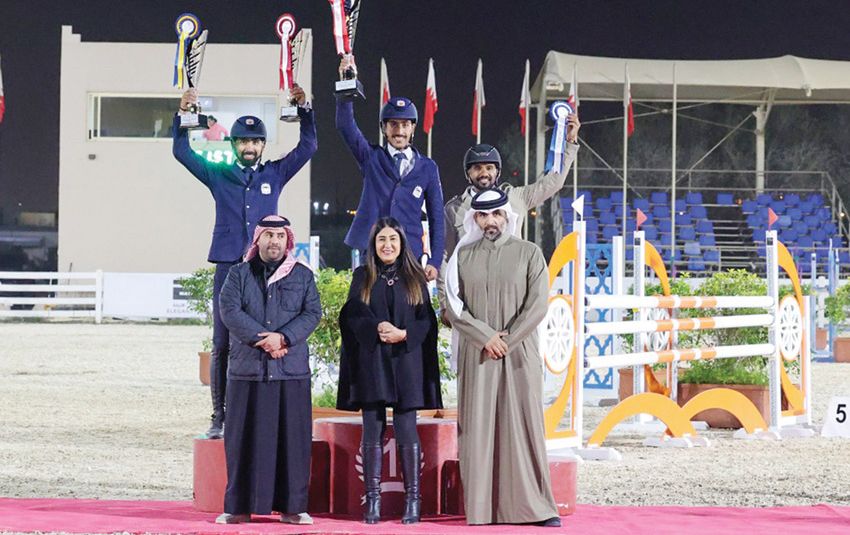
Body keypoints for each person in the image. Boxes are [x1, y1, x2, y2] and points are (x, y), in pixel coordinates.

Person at [173, 85, 317, 440]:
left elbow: (308, 146)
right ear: (233, 144)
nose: (249, 147)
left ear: (263, 145)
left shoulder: (275, 173)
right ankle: (219, 417)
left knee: (268, 336)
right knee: (222, 342)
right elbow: (181, 151)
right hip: (228, 265)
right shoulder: (217, 174)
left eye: (255, 142)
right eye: (242, 142)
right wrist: (183, 116)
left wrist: (304, 109)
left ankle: (263, 410)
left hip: (267, 270)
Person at [442, 188, 560, 527]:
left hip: (519, 354)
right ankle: (481, 510)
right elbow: (453, 306)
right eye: (483, 215)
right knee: (478, 429)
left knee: (523, 427)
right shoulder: (462, 258)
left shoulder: (529, 253)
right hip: (478, 355)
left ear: (507, 215)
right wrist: (485, 337)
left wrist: (508, 340)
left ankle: (534, 508)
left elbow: (538, 304)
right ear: (474, 219)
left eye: (497, 214)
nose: (490, 221)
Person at [216, 215, 321, 525]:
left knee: (293, 442)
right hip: (247, 372)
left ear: (287, 240)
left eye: (279, 235)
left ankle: (293, 508)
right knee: (241, 441)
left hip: (290, 372)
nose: (274, 241)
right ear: (257, 239)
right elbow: (230, 311)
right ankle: (238, 508)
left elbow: (312, 312)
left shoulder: (302, 276)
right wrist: (265, 340)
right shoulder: (238, 275)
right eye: (268, 235)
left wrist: (284, 338)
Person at [337, 217, 442, 524]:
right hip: (373, 362)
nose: (387, 245)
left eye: (393, 240)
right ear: (374, 244)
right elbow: (352, 314)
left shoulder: (415, 277)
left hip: (406, 362)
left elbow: (427, 321)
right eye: (382, 240)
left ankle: (413, 500)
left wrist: (404, 333)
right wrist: (376, 326)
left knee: (407, 430)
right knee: (372, 429)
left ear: (401, 243)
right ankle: (372, 500)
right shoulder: (363, 275)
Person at [335, 55, 444, 281]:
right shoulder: (371, 157)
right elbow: (345, 126)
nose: (399, 131)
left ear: (413, 128)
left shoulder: (428, 168)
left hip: (410, 252)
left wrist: (434, 261)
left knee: (411, 311)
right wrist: (346, 82)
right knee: (372, 310)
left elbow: (436, 217)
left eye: (405, 125)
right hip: (373, 250)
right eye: (393, 124)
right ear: (384, 128)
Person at [443, 112, 580, 258]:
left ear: (498, 172)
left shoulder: (516, 197)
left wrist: (570, 143)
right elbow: (446, 255)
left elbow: (553, 183)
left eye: (489, 168)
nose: (484, 173)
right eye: (477, 168)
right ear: (467, 174)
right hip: (472, 279)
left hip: (511, 277)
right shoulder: (454, 209)